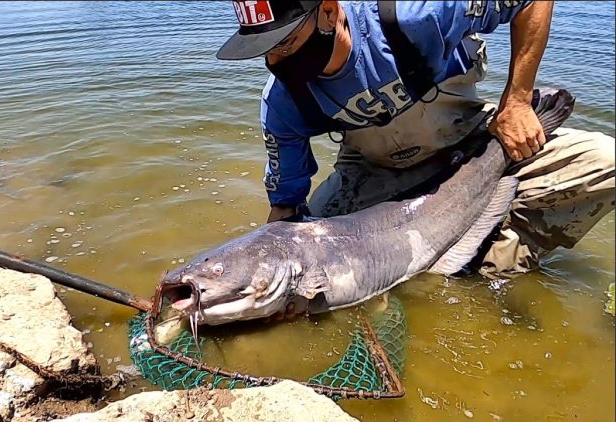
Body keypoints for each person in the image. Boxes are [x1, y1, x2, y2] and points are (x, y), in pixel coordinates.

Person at [215, 1, 615, 277]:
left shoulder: (413, 15)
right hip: (375, 169)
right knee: (322, 258)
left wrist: (517, 101)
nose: (275, 62)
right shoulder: (283, 101)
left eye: (284, 43)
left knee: (606, 160)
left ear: (329, 11)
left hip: (471, 139)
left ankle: (503, 246)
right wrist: (285, 275)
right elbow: (285, 212)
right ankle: (471, 249)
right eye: (264, 50)